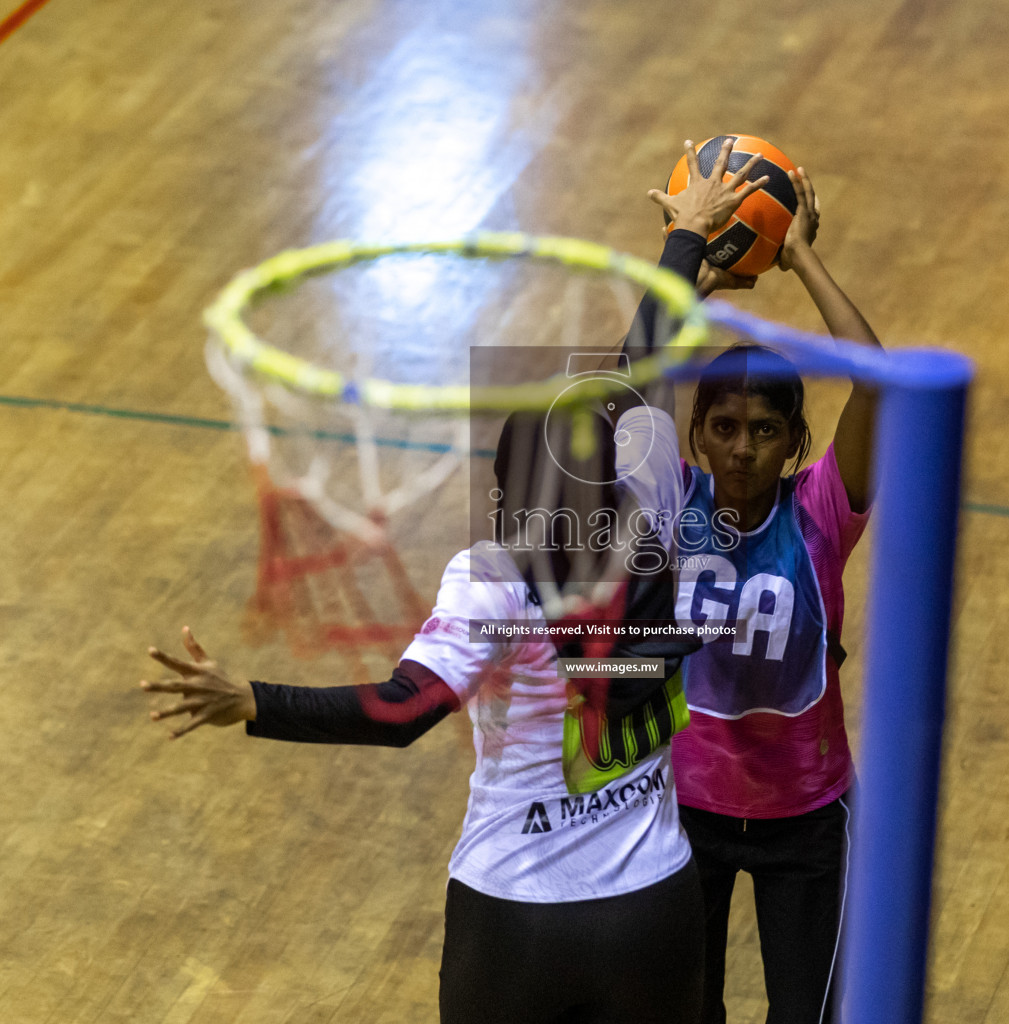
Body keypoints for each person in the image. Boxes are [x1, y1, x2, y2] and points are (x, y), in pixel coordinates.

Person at [139, 138, 770, 1024]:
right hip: (651, 911)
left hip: (515, 920)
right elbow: (637, 380)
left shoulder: (493, 579)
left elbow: (404, 711)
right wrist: (689, 250)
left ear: (508, 494)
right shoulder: (658, 506)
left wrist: (252, 699)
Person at [650, 162, 883, 1024]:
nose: (742, 447)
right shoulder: (670, 502)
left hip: (808, 820)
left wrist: (798, 257)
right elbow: (625, 387)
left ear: (793, 442)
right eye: (723, 427)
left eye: (763, 430)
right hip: (682, 813)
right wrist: (687, 284)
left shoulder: (823, 510)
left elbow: (875, 380)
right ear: (697, 435)